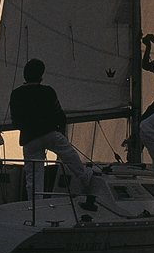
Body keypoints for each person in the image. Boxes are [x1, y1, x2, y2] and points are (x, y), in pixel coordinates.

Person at [9, 59, 93, 204]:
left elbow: (15, 120)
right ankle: (85, 178)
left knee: (33, 175)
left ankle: (34, 203)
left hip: (30, 138)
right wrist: (60, 131)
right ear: (41, 75)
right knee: (69, 155)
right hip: (50, 133)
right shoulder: (48, 91)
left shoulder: (16, 94)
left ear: (25, 75)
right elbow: (59, 115)